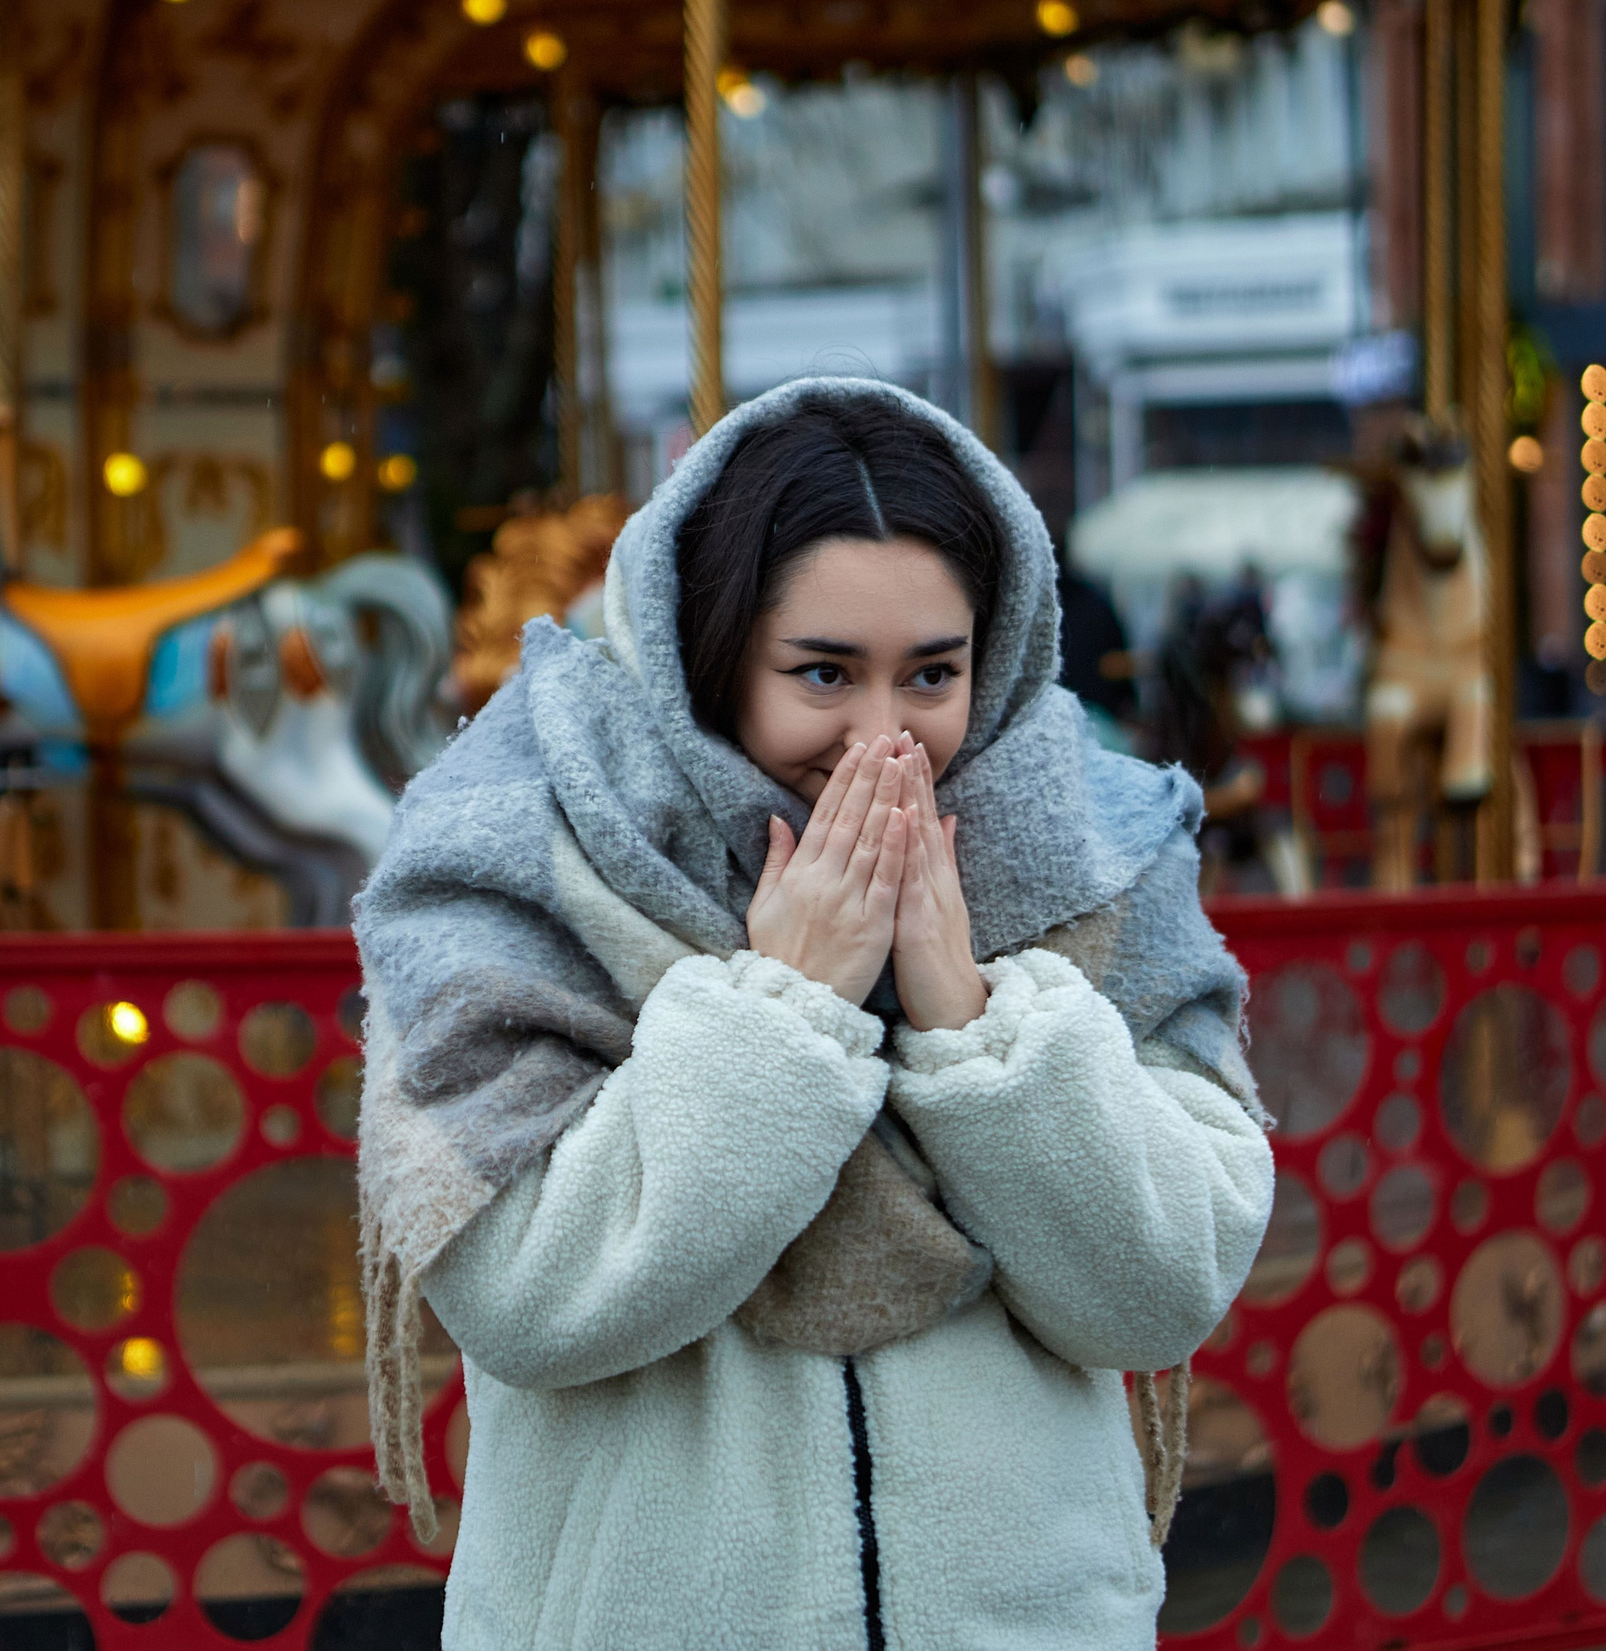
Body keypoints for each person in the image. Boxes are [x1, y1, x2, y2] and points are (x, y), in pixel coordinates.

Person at [354, 378, 1275, 1651]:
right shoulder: (508, 853)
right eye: (823, 673)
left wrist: (973, 1022)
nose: (882, 741)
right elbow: (524, 1292)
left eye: (932, 675)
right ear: (714, 650)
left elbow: (1165, 1286)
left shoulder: (1096, 852)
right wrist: (782, 1010)